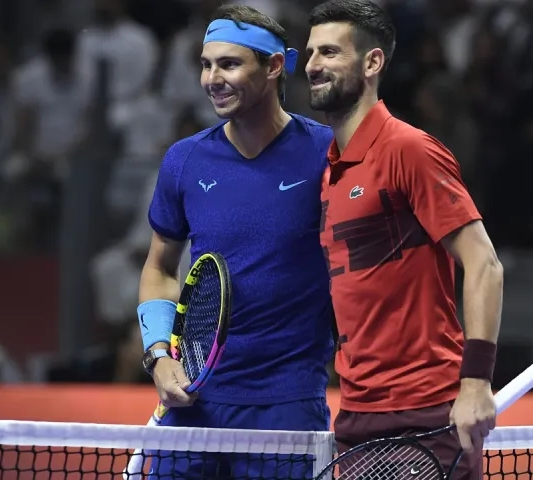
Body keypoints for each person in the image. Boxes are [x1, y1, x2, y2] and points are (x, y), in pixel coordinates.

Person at [305, 1, 504, 478]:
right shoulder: (331, 172)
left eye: (330, 52)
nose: (312, 65)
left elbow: (484, 264)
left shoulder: (408, 150)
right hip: (356, 413)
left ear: (372, 63)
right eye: (310, 53)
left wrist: (476, 382)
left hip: (426, 410)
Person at [137, 5, 335, 479]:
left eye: (228, 64)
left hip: (287, 405)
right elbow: (160, 269)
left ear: (273, 67)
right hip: (195, 401)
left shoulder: (329, 153)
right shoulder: (184, 160)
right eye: (206, 65)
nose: (211, 79)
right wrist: (160, 358)